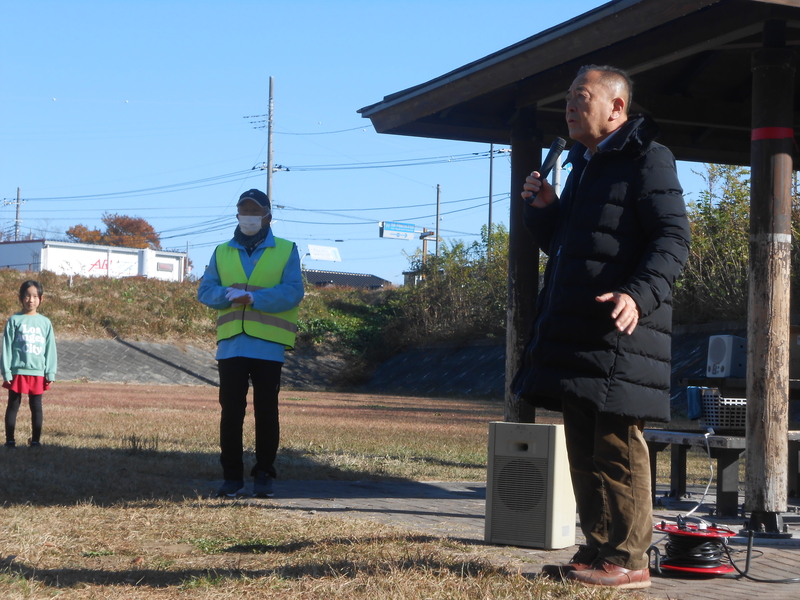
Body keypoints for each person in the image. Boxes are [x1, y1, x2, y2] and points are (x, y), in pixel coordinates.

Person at [512, 65, 690, 589]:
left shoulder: (647, 158)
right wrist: (548, 212)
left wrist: (638, 293)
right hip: (579, 328)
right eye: (568, 97)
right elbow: (572, 251)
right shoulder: (585, 167)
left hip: (620, 331)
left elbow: (674, 239)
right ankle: (598, 550)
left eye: (581, 97)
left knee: (615, 446)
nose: (570, 105)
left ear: (617, 108)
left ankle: (630, 560)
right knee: (583, 446)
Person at [198, 189, 304, 498]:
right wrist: (227, 296)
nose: (249, 216)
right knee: (230, 412)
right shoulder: (221, 251)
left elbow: (293, 291)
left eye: (255, 211)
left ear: (268, 216)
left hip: (268, 345)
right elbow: (205, 291)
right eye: (244, 210)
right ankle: (232, 477)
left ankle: (263, 474)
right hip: (231, 345)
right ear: (237, 215)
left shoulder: (286, 249)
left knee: (266, 411)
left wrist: (254, 298)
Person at [3, 280, 58, 448]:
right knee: (13, 404)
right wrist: (6, 372)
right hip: (17, 371)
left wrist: (50, 372)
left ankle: (35, 441)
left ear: (41, 299)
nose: (31, 300)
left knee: (36, 406)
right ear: (21, 298)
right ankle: (10, 441)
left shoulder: (45, 322)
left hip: (37, 371)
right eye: (27, 296)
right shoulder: (14, 320)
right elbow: (7, 347)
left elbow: (50, 349)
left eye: (35, 296)